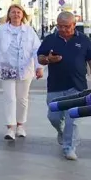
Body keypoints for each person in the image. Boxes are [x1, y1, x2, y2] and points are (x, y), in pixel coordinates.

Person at [38, 11, 90, 161]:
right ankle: (61, 132)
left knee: (72, 120)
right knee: (53, 117)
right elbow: (40, 58)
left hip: (78, 87)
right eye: (60, 26)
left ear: (74, 25)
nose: (63, 29)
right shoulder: (50, 39)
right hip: (55, 86)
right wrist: (48, 59)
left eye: (66, 26)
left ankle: (69, 147)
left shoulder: (84, 40)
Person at [0, 4, 44, 141]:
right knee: (10, 99)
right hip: (7, 68)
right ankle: (10, 128)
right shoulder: (1, 30)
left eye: (18, 12)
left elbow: (37, 50)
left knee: (22, 99)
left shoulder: (29, 31)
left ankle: (20, 125)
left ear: (22, 15)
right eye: (13, 12)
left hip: (25, 69)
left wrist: (39, 67)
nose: (16, 15)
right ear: (9, 15)